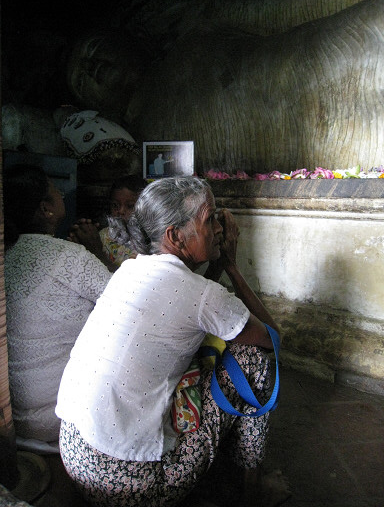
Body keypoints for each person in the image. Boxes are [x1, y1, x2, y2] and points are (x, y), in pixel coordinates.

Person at [56, 176, 290, 506]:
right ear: (176, 236)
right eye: (210, 219)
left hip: (76, 456)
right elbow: (271, 340)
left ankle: (226, 469)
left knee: (201, 357)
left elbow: (193, 304)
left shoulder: (130, 270)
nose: (218, 227)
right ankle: (252, 488)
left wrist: (217, 265)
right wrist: (233, 268)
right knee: (253, 360)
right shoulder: (201, 294)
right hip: (132, 485)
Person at [3, 164, 112, 452]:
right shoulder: (71, 256)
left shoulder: (7, 255)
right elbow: (125, 306)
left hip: (10, 417)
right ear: (46, 209)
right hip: (59, 415)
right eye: (55, 190)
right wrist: (98, 252)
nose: (62, 192)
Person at [68, 175, 147, 270]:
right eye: (115, 205)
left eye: (130, 206)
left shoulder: (149, 240)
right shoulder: (103, 237)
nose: (121, 211)